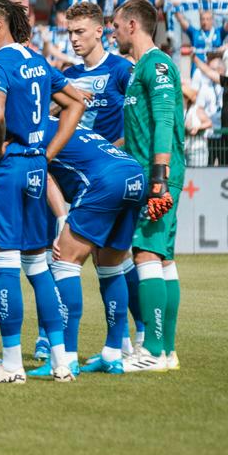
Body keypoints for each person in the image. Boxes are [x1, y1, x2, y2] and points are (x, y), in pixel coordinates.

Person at [0, 0, 86, 384]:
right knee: (38, 267)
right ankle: (62, 361)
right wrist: (46, 153)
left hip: (7, 170)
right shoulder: (37, 60)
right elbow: (75, 103)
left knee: (3, 264)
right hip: (35, 167)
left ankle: (12, 364)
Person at [111, 0, 185, 373]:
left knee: (145, 255)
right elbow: (140, 130)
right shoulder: (141, 66)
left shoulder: (156, 65)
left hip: (156, 174)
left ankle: (152, 350)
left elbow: (163, 121)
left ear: (133, 26)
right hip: (151, 170)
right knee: (164, 259)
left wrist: (159, 179)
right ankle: (167, 351)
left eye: (116, 25)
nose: (113, 31)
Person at [42, 128, 145, 376]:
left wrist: (61, 218)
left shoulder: (33, 130)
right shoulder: (66, 124)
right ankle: (113, 355)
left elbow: (43, 174)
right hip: (134, 174)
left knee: (65, 262)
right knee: (111, 266)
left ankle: (66, 358)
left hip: (106, 180)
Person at [61, 1, 135, 142]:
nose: (73, 39)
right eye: (70, 32)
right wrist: (67, 99)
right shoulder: (68, 75)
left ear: (99, 32)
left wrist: (118, 147)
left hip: (109, 159)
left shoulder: (120, 68)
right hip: (74, 160)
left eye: (79, 32)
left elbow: (142, 116)